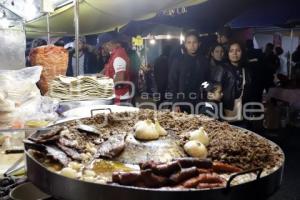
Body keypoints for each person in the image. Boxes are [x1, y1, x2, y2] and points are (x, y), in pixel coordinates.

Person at [168, 30, 210, 114]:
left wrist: (208, 90)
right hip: (181, 103)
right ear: (185, 44)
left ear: (199, 44)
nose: (192, 45)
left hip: (199, 103)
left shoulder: (204, 61)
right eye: (189, 42)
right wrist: (175, 103)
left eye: (194, 42)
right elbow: (172, 83)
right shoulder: (178, 61)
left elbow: (206, 80)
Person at [221, 41, 252, 123]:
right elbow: (212, 87)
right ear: (227, 53)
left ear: (242, 52)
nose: (235, 53)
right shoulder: (222, 69)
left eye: (238, 50)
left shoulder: (245, 69)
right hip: (227, 111)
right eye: (231, 51)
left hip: (242, 111)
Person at [97, 31, 131, 103]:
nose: (103, 49)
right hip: (116, 94)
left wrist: (104, 86)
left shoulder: (118, 57)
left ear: (108, 44)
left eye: (103, 47)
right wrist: (100, 74)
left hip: (120, 96)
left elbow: (120, 79)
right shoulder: (114, 54)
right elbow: (109, 67)